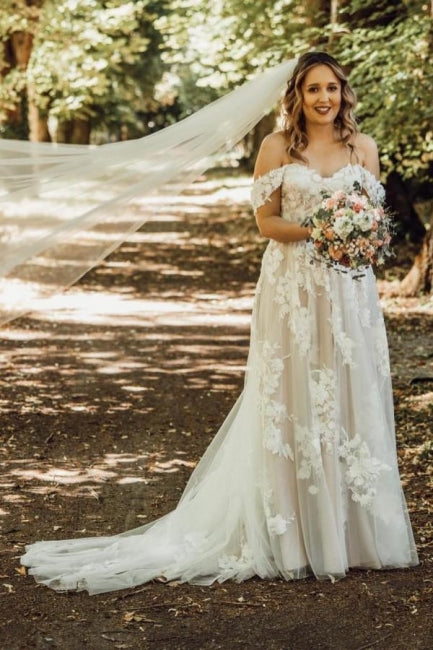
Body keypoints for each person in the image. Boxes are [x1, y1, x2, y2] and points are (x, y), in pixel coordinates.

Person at [21, 51, 419, 595]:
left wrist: (359, 239)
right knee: (297, 396)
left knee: (350, 393)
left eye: (331, 88)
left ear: (343, 93)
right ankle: (298, 534)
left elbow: (373, 222)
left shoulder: (363, 148)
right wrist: (320, 233)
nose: (324, 98)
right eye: (313, 90)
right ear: (297, 97)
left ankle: (354, 533)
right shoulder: (279, 147)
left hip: (350, 291)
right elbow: (266, 221)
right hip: (292, 290)